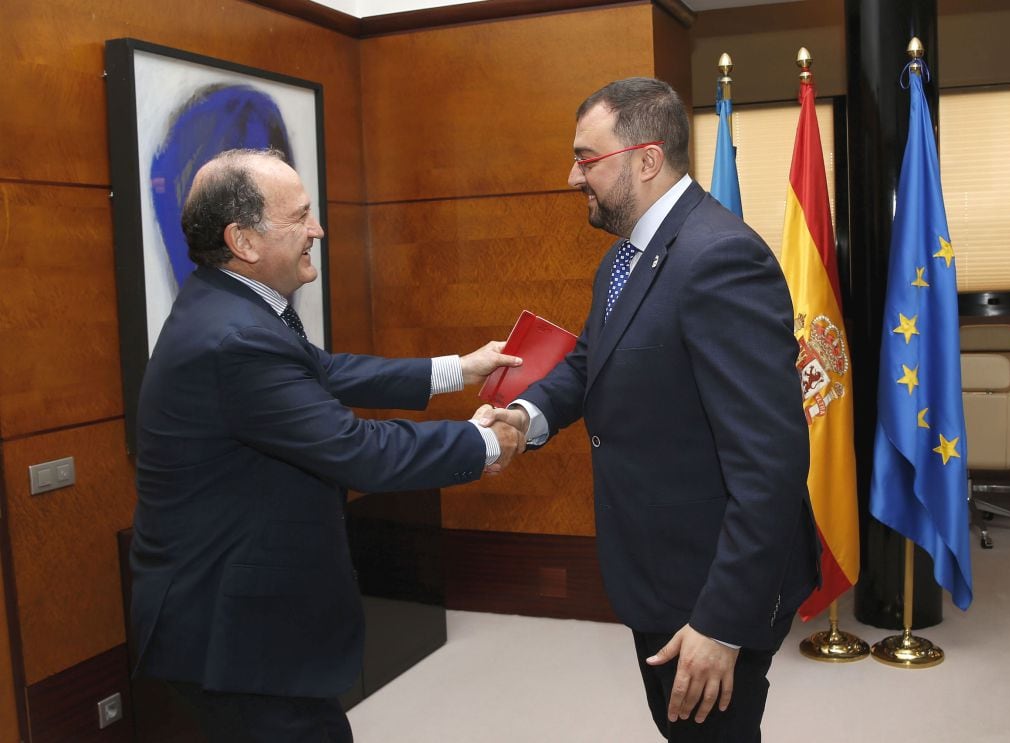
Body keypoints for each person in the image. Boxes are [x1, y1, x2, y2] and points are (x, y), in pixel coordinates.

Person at [128, 148, 524, 742]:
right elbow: (358, 448)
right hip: (230, 632)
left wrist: (456, 370)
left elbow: (324, 369)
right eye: (300, 217)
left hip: (235, 612)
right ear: (244, 241)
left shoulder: (229, 303)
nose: (318, 229)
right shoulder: (235, 337)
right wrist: (482, 443)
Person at [486, 78, 821, 741]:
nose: (571, 175)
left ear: (645, 158)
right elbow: (590, 360)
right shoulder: (622, 258)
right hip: (656, 570)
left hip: (712, 581)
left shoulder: (720, 257)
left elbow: (771, 462)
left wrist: (723, 619)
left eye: (586, 157)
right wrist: (528, 415)